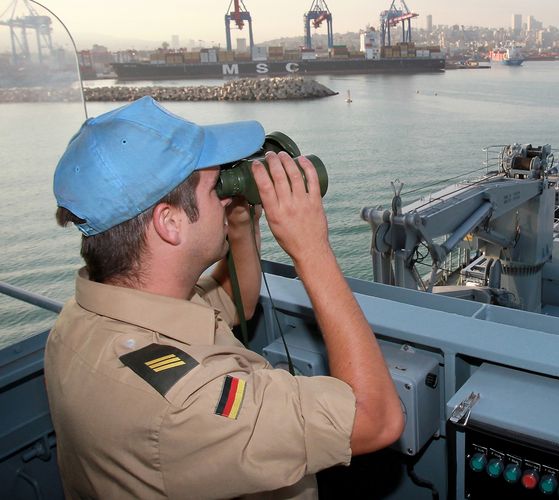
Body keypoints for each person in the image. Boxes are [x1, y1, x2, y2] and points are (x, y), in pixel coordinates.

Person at [45, 96, 404, 498]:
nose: (223, 185)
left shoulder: (86, 318)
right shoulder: (186, 403)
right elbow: (377, 420)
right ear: (170, 222)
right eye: (211, 182)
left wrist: (238, 219)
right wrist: (312, 250)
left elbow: (238, 302)